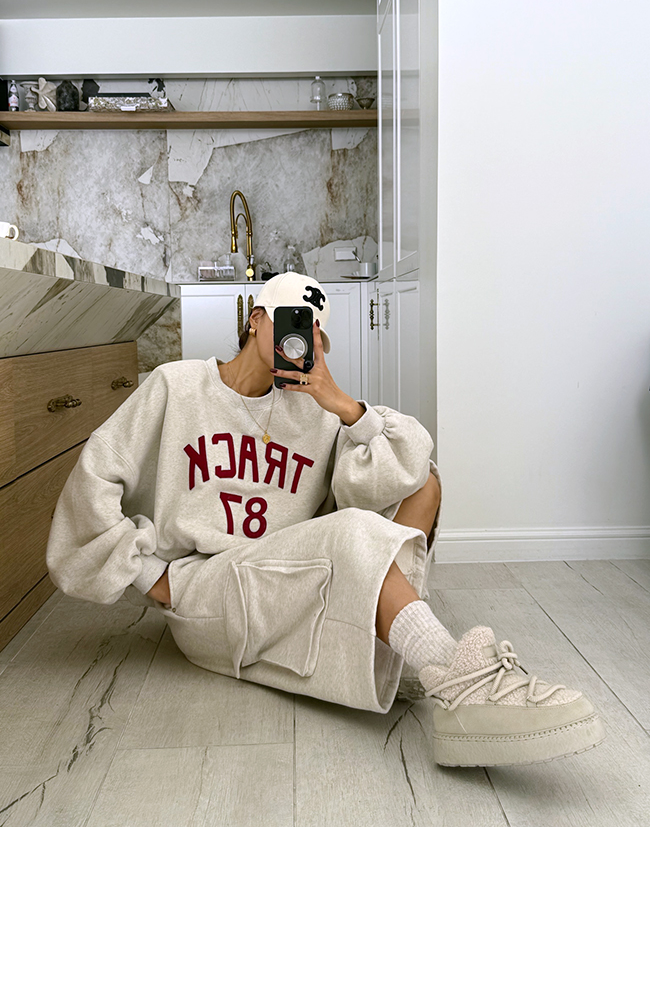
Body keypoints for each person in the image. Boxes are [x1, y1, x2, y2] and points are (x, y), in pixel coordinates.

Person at [46, 272, 605, 768]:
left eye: (315, 333)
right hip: (208, 592)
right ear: (256, 320)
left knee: (423, 482)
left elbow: (404, 463)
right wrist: (153, 577)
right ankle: (455, 677)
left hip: (282, 583)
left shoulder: (313, 411)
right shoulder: (177, 385)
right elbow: (94, 474)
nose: (302, 339)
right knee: (353, 533)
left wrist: (342, 405)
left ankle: (417, 651)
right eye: (294, 322)